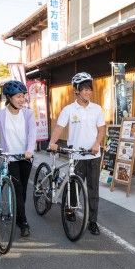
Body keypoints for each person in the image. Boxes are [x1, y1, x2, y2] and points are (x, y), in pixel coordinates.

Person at [48, 72, 106, 235]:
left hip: (93, 155)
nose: (88, 92)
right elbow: (59, 127)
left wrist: (97, 144)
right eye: (84, 89)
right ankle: (70, 209)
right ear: (77, 90)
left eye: (90, 89)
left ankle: (92, 221)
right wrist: (52, 142)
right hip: (76, 155)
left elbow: (102, 129)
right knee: (73, 186)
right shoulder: (69, 109)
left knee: (93, 189)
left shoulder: (97, 109)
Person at [0, 80, 36, 237]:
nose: (22, 99)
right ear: (9, 98)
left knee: (23, 190)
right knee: (17, 189)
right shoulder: (0, 115)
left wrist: (29, 150)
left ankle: (19, 215)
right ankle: (23, 222)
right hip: (10, 158)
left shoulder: (28, 114)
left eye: (23, 95)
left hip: (25, 156)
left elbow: (32, 133)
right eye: (18, 96)